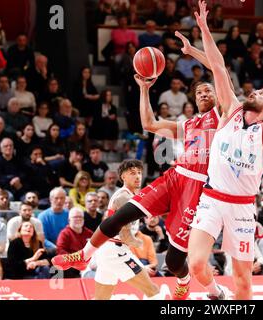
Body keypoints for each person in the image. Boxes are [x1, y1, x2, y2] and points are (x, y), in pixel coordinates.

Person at [52, 25, 222, 301]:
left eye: (208, 91)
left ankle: (184, 281)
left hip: (198, 188)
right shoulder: (188, 123)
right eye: (200, 92)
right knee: (118, 217)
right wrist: (144, 89)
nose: (204, 94)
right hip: (176, 176)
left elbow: (219, 69)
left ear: (217, 97)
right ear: (193, 99)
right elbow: (149, 123)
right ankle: (84, 255)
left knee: (175, 262)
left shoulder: (222, 117)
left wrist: (195, 48)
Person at [188, 0, 263, 300]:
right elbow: (217, 66)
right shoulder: (231, 110)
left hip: (241, 207)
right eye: (257, 90)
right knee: (196, 264)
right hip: (212, 199)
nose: (256, 92)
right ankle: (215, 294)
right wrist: (203, 27)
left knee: (243, 281)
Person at [91, 159, 160, 300]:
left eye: (139, 173)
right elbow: (125, 234)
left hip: (108, 250)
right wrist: (139, 243)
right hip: (116, 250)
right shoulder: (124, 196)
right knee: (153, 290)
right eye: (132, 173)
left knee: (101, 298)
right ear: (123, 177)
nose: (137, 176)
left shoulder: (130, 195)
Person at [56, 207, 93, 278]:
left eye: (80, 217)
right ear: (69, 220)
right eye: (75, 217)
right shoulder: (64, 233)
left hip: (90, 261)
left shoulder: (89, 233)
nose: (78, 219)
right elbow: (60, 251)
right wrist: (76, 260)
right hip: (73, 264)